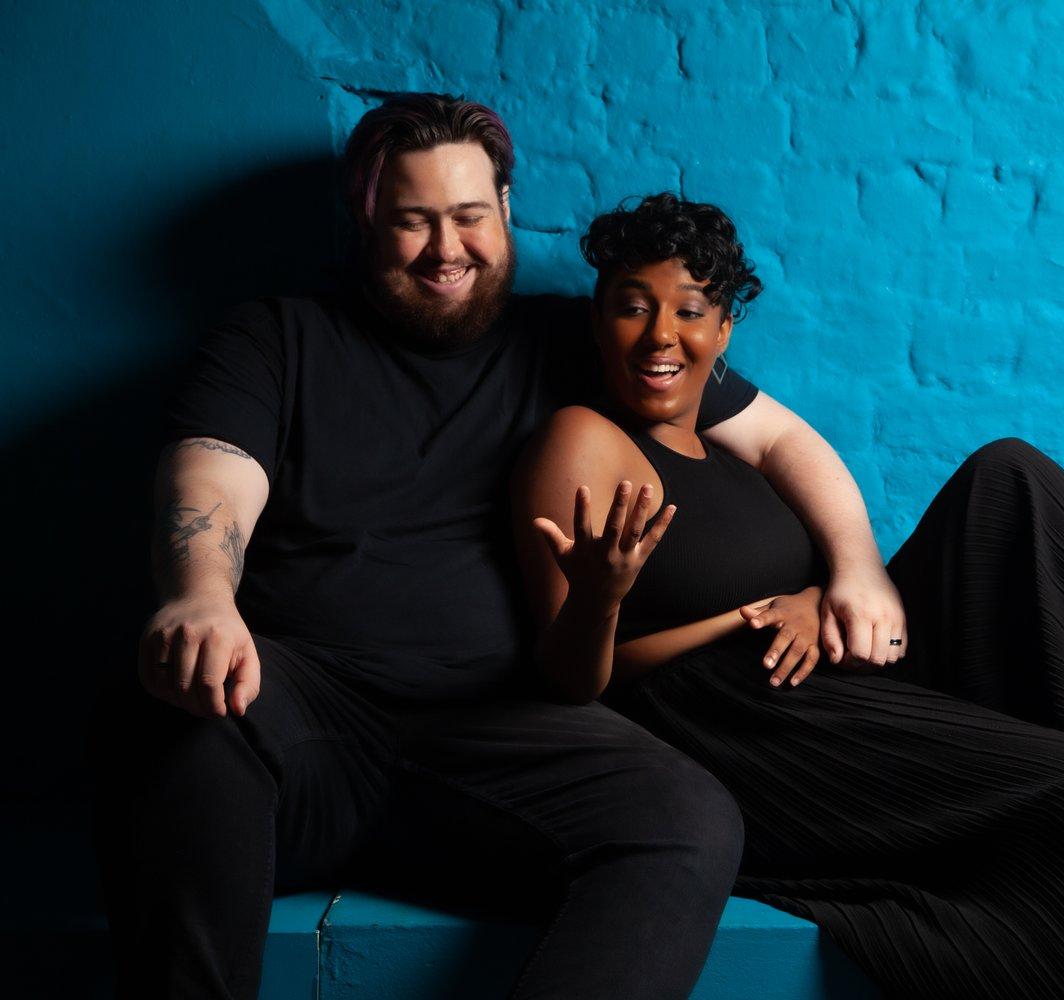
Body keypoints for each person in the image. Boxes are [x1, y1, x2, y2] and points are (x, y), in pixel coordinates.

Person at [89, 93, 912, 1000]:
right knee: (184, 716)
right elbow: (213, 476)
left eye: (470, 217)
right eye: (413, 221)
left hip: (505, 732)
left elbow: (781, 440)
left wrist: (857, 569)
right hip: (306, 715)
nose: (447, 249)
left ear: (508, 211)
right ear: (367, 219)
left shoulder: (582, 336)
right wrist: (200, 594)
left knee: (689, 816)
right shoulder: (277, 339)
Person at [512, 193, 1064, 998]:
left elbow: (792, 446)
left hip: (837, 677)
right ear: (598, 318)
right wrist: (716, 615)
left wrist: (835, 586)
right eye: (631, 305)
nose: (659, 335)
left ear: (726, 329)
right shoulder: (583, 439)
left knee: (1011, 477)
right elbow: (577, 681)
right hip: (744, 729)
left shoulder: (714, 426)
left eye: (689, 311)